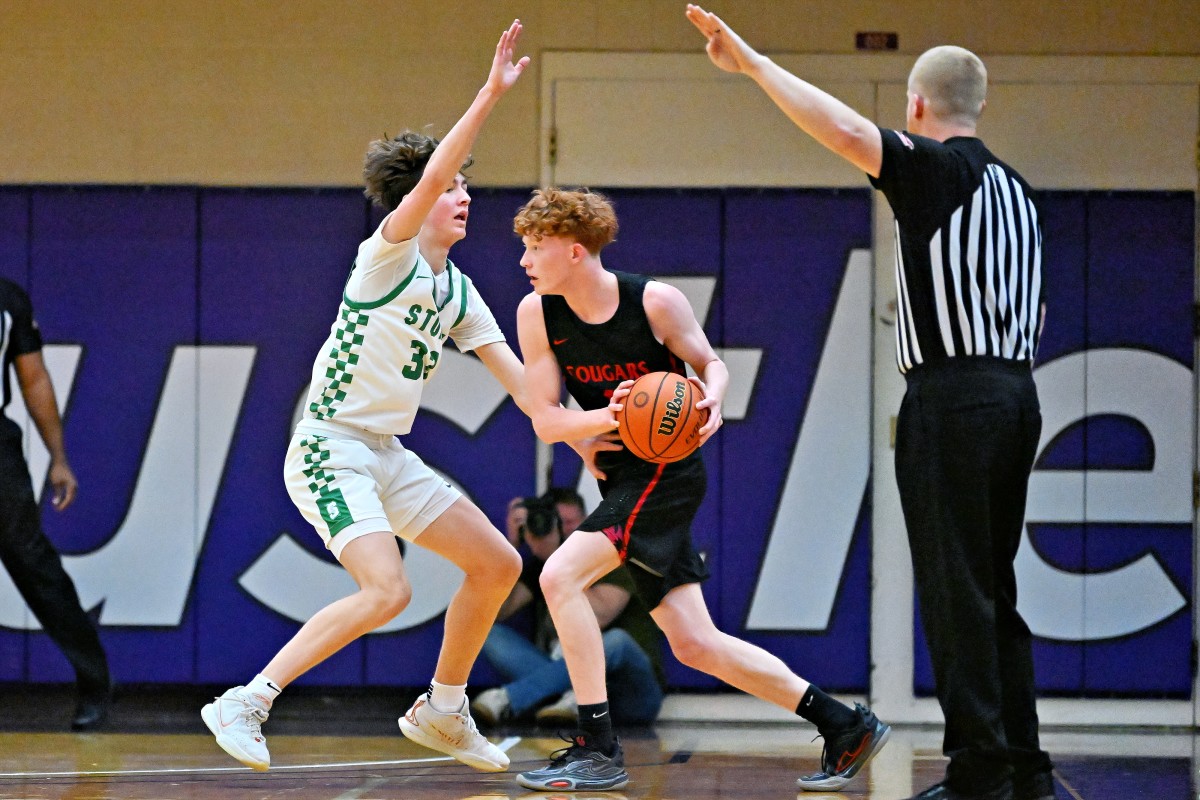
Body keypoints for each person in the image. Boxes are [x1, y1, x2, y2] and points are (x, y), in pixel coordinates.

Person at [686, 7, 1053, 800]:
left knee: (956, 590)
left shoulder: (938, 171)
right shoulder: (1020, 194)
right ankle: (1025, 764)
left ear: (916, 108)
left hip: (953, 398)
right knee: (994, 588)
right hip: (1019, 394)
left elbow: (842, 127)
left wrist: (752, 64)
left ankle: (981, 771)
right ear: (979, 105)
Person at [201, 21, 531, 773]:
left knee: (498, 564)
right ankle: (246, 700)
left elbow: (522, 386)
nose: (464, 195)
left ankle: (444, 710)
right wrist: (487, 94)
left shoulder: (459, 290)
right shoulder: (387, 258)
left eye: (466, 186)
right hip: (329, 445)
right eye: (452, 185)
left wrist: (595, 426)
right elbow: (428, 180)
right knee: (385, 591)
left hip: (386, 453)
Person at [510, 188, 890, 793]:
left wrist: (712, 393)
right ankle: (845, 724)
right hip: (622, 477)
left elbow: (710, 364)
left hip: (669, 473)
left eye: (535, 247)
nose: (525, 260)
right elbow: (547, 421)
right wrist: (617, 417)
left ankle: (598, 747)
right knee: (694, 644)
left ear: (575, 251)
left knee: (558, 577)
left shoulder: (655, 301)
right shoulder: (537, 314)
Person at [0, 278, 111, 732]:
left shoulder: (7, 299)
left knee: (32, 563)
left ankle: (95, 682)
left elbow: (34, 377)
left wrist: (58, 457)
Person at [472, 491, 665, 727]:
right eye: (557, 522)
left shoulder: (612, 555)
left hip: (628, 693)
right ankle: (567, 699)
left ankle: (507, 698)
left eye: (571, 522)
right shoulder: (541, 565)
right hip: (563, 690)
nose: (565, 530)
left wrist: (554, 559)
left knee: (616, 640)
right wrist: (510, 548)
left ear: (588, 521)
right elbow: (495, 612)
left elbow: (601, 615)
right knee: (489, 634)